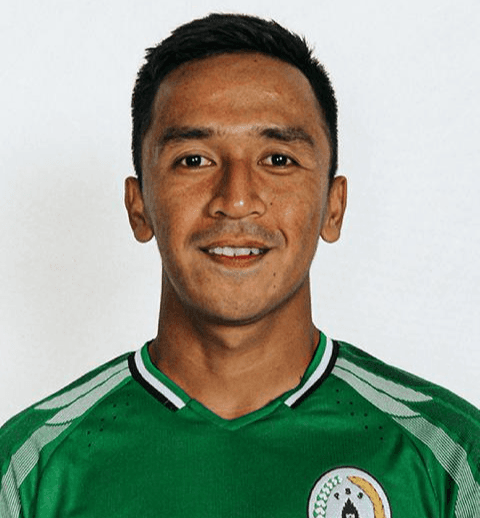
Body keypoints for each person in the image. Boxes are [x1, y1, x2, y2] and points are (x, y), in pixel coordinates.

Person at [1, 12, 479, 518]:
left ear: (333, 207)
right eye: (194, 160)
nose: (235, 200)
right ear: (138, 206)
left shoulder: (451, 461)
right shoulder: (28, 472)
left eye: (278, 160)